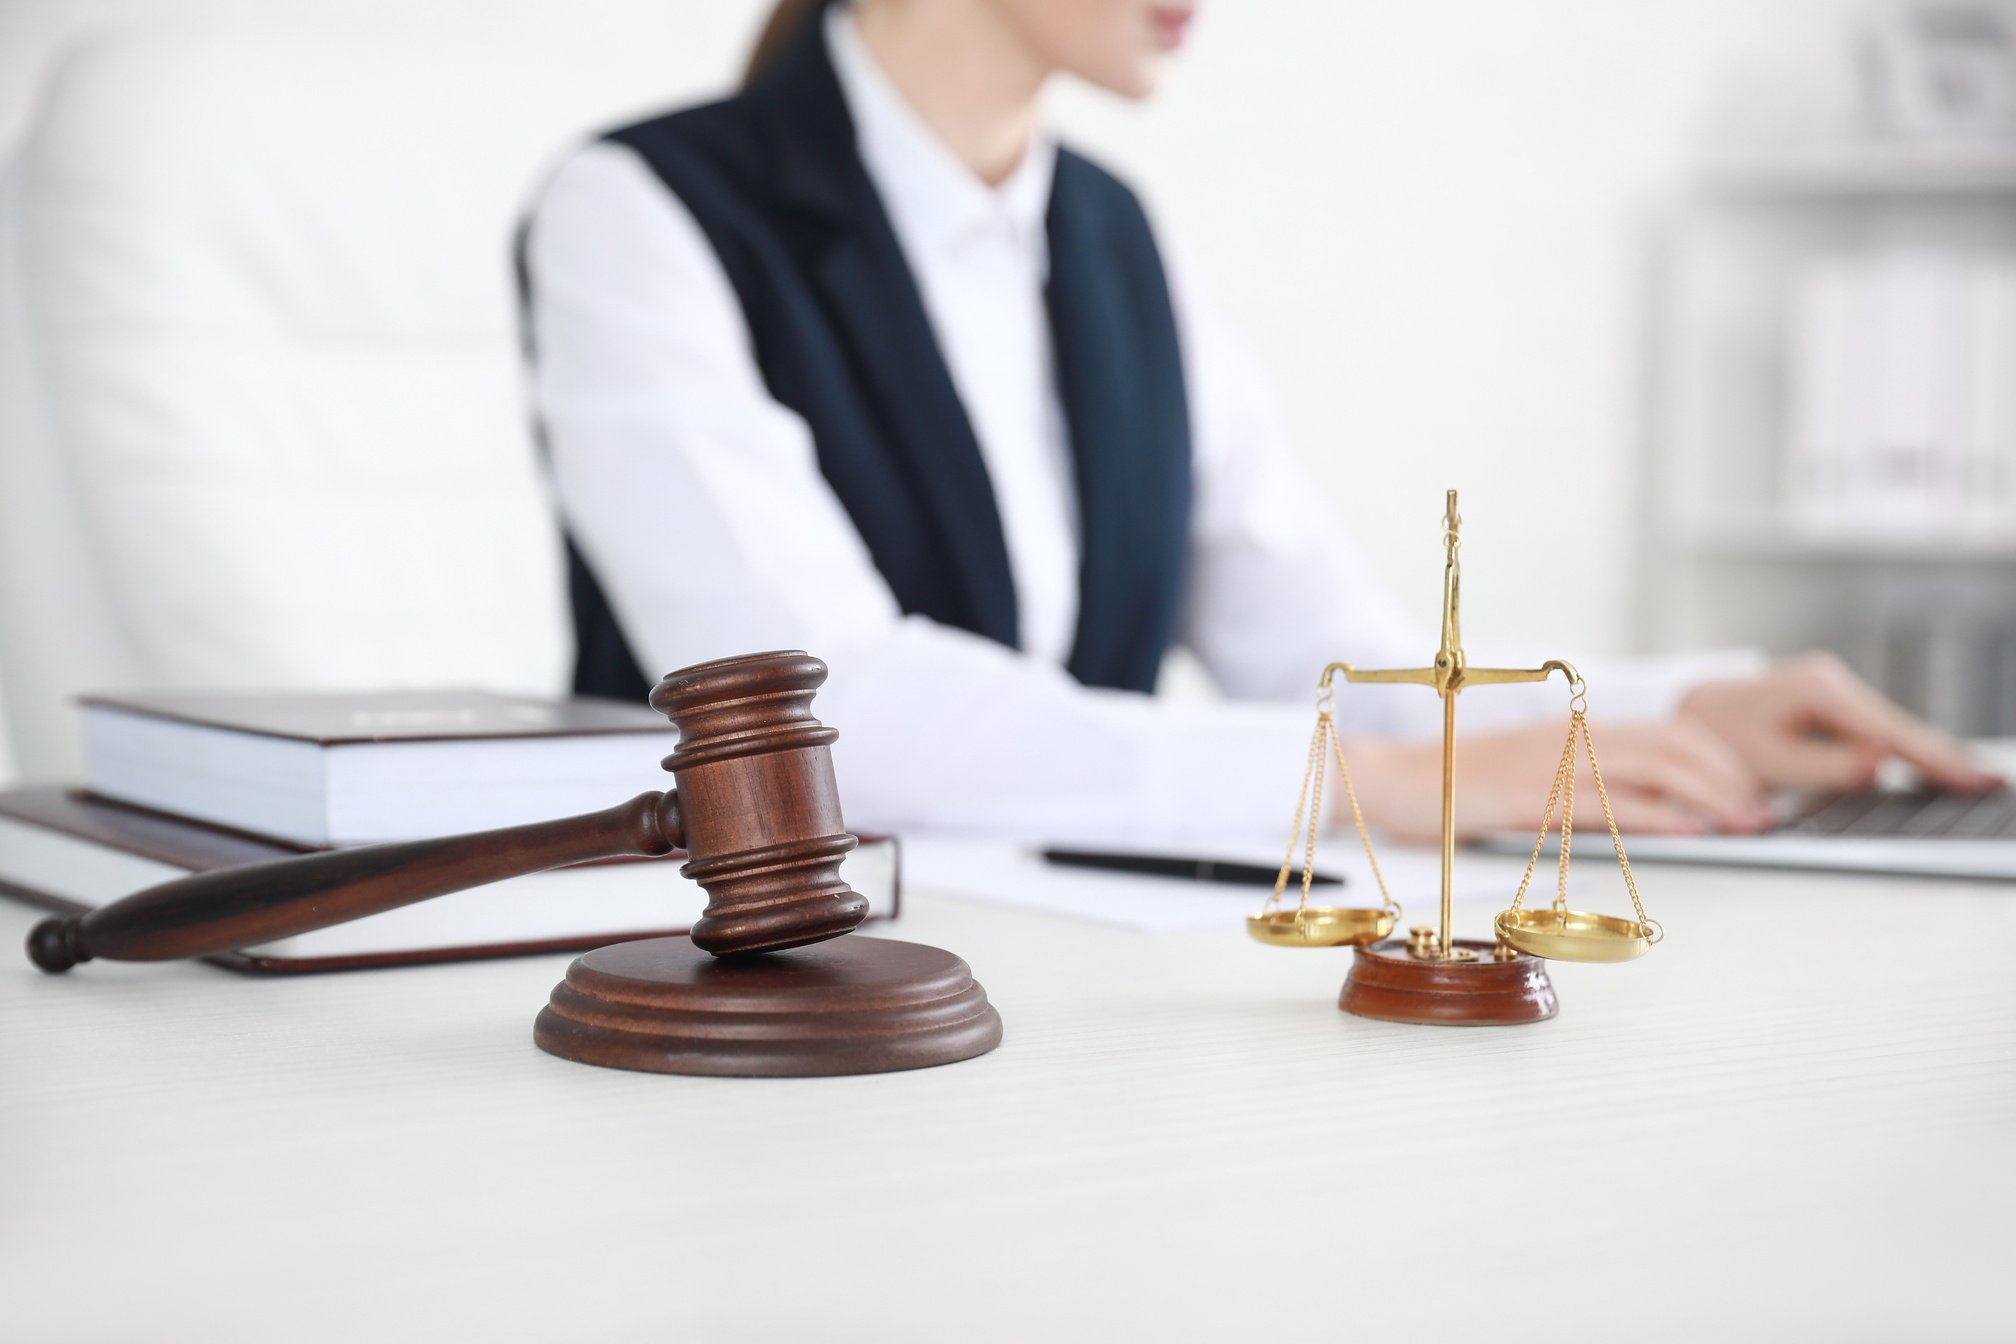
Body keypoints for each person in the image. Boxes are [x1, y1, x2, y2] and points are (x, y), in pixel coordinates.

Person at [520, 0, 2000, 846]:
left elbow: (1317, 661)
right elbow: (827, 718)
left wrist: (1673, 710)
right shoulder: (641, 209)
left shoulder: (1109, 237)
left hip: (1058, 984)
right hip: (758, 1005)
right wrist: (1396, 789)